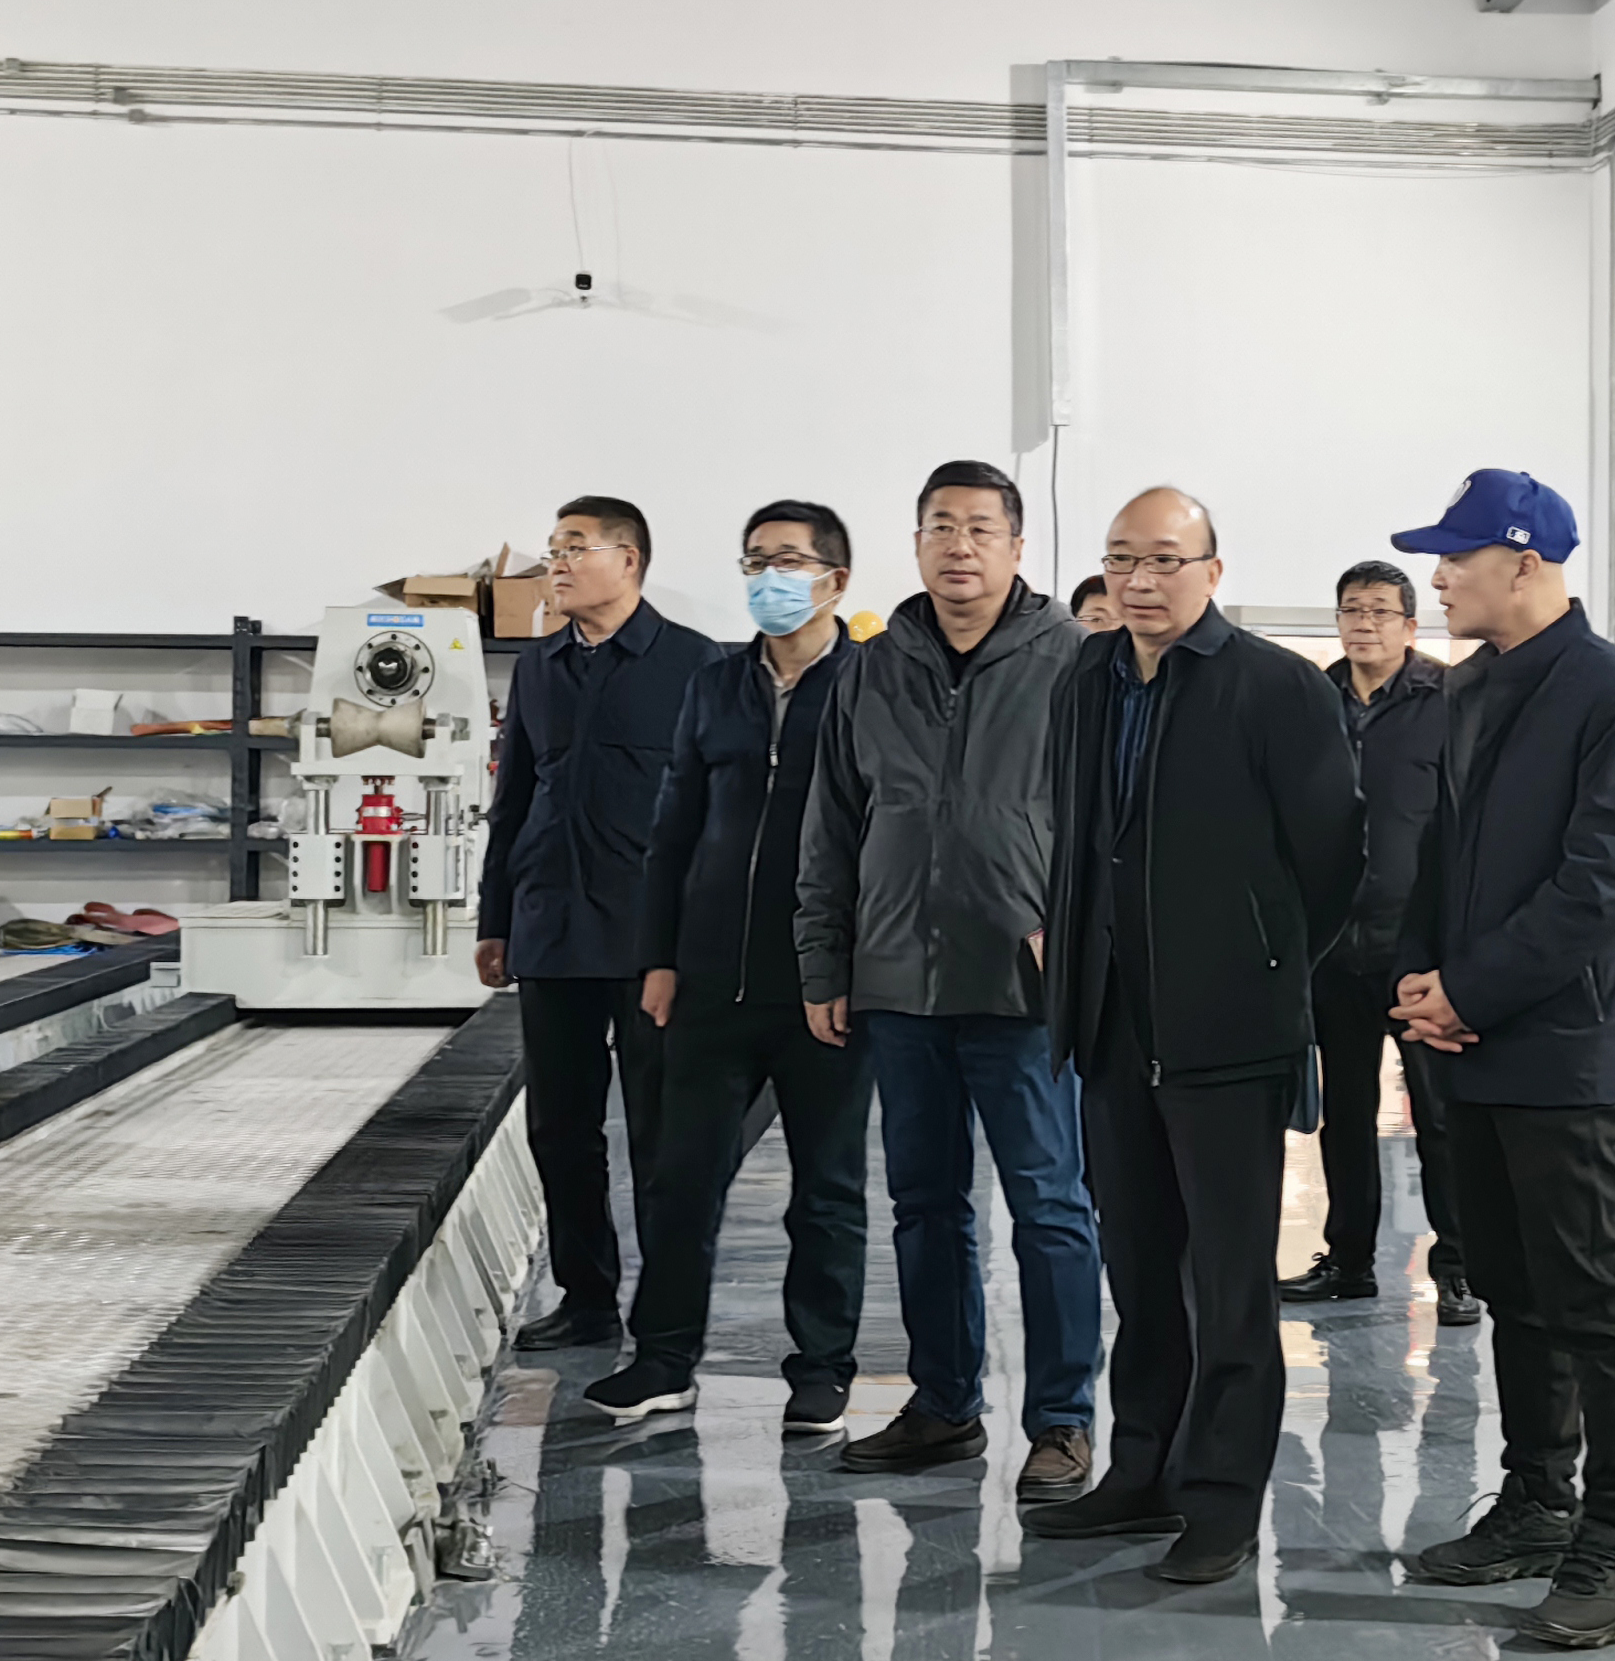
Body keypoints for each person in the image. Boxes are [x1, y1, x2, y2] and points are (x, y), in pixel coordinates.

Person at [1029, 490, 1363, 1586]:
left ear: (1212, 571)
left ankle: (1220, 1499)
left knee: (1228, 1281)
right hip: (1113, 1023)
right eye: (1122, 559)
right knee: (1138, 1267)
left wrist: (1261, 962)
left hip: (1229, 1031)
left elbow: (1333, 859)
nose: (1139, 580)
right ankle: (1144, 1470)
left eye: (1165, 559)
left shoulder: (1274, 687)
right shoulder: (1087, 678)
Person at [1385, 469, 1615, 1650]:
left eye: (1457, 556)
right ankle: (1537, 1498)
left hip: (1564, 1046)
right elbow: (1440, 854)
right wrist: (1421, 981)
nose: (1438, 575)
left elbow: (1602, 885)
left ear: (1526, 562)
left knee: (1587, 1296)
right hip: (1473, 1042)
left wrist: (1473, 988)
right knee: (1511, 1288)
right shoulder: (1470, 689)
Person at [796, 460, 1103, 1496]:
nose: (959, 546)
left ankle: (1062, 1419)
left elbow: (1113, 823)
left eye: (979, 528)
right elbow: (831, 827)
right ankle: (942, 1404)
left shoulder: (1075, 663)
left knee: (1050, 1205)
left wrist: (1080, 937)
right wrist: (824, 960)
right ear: (917, 542)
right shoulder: (870, 668)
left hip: (1022, 986)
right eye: (940, 526)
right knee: (924, 1205)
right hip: (897, 980)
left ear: (1017, 546)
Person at [581, 502, 874, 1433]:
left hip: (825, 985)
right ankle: (663, 1359)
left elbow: (890, 831)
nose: (767, 579)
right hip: (710, 978)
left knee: (827, 1190)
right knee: (680, 1175)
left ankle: (822, 1367)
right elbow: (672, 830)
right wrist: (659, 958)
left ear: (835, 579)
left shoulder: (873, 687)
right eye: (754, 562)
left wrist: (857, 966)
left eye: (787, 561)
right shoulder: (714, 684)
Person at [477, 497, 720, 1351]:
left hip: (653, 940)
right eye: (554, 549)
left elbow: (718, 813)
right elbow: (513, 799)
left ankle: (666, 1315)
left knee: (661, 1132)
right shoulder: (539, 668)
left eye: (576, 547)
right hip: (551, 927)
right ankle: (587, 1299)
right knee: (560, 1130)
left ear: (630, 560)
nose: (558, 563)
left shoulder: (695, 665)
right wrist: (495, 918)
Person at [1280, 558, 1478, 1327]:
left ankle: (1458, 1268)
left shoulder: (1448, 700)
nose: (1363, 624)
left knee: (1440, 1117)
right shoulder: (1311, 701)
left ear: (1410, 624)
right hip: (1334, 944)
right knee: (1346, 1111)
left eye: (1379, 611)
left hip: (1418, 948)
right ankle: (1349, 1260)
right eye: (1351, 611)